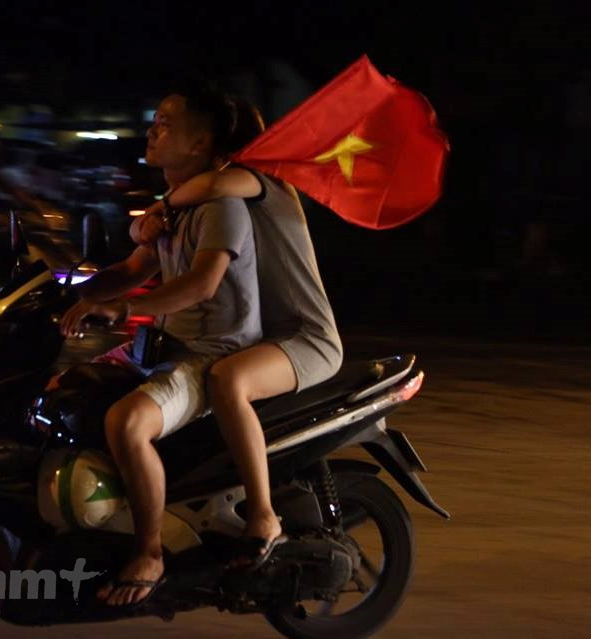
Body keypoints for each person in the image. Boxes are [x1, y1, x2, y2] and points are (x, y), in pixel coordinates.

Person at [55, 88, 262, 606]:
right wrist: (65, 292)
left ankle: (149, 553)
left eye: (166, 124)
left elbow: (201, 284)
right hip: (164, 344)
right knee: (63, 391)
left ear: (199, 143)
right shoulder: (169, 211)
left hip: (210, 351)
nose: (152, 131)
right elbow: (131, 270)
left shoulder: (222, 206)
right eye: (154, 120)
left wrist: (122, 310)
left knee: (126, 421)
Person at [130, 97, 343, 568]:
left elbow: (216, 182)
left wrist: (158, 207)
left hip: (307, 338)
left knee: (227, 379)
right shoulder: (222, 195)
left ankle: (264, 515)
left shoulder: (260, 182)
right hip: (272, 336)